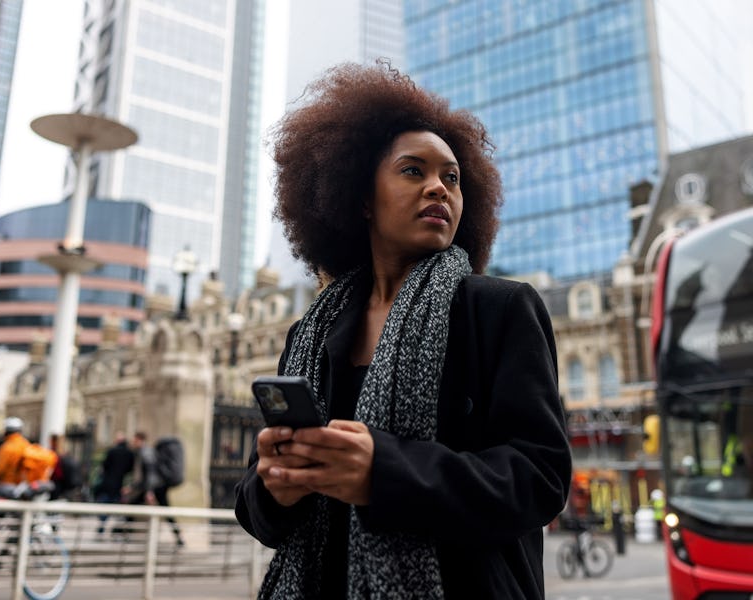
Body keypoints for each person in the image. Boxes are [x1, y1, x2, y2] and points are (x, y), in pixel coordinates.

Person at [234, 62, 572, 599]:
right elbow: (259, 515)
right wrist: (276, 486)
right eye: (413, 171)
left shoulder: (501, 309)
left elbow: (540, 479)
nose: (439, 187)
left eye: (452, 178)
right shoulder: (310, 334)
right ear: (361, 198)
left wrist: (385, 472)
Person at [124, 432, 183, 546]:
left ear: (140, 440)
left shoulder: (146, 452)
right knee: (166, 511)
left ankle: (124, 532)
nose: (133, 442)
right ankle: (178, 536)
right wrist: (133, 487)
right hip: (157, 486)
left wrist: (149, 491)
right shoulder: (148, 451)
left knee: (133, 506)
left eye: (134, 440)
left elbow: (151, 474)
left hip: (156, 487)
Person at [94, 432, 135, 535]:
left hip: (109, 483)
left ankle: (102, 525)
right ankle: (118, 528)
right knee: (118, 507)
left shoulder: (112, 451)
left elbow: (105, 466)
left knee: (105, 505)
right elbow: (130, 469)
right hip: (120, 484)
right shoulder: (129, 453)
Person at [0, 416, 30, 498]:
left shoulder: (7, 447)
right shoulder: (26, 444)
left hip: (7, 485)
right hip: (23, 486)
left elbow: (0, 469)